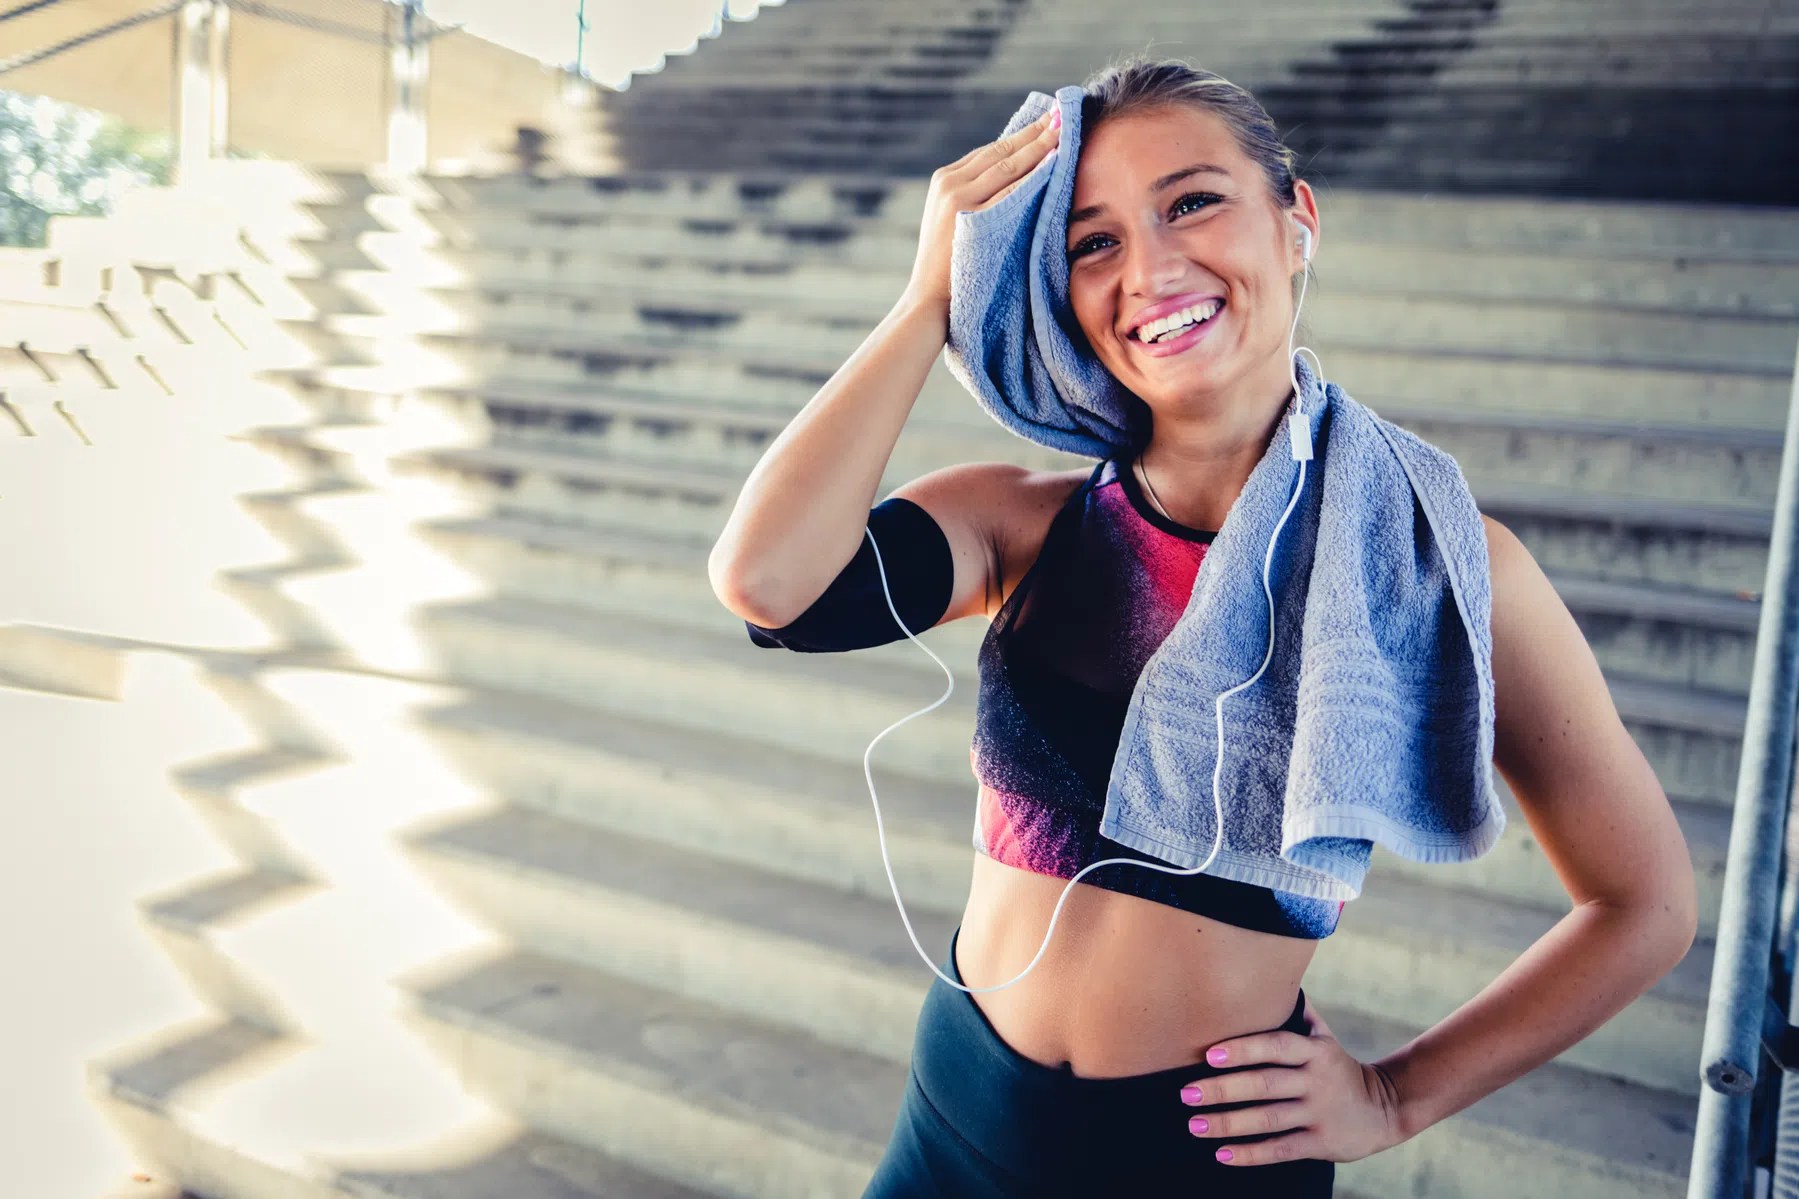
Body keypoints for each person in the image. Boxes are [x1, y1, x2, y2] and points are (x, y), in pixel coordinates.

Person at [707, 57, 1698, 1197]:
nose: (1149, 269)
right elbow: (766, 578)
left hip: (1198, 1160)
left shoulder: (1438, 564)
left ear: (1295, 222)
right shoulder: (1020, 524)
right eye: (1092, 241)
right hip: (953, 1121)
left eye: (1190, 202)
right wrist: (928, 294)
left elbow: (1645, 905)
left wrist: (1395, 1094)